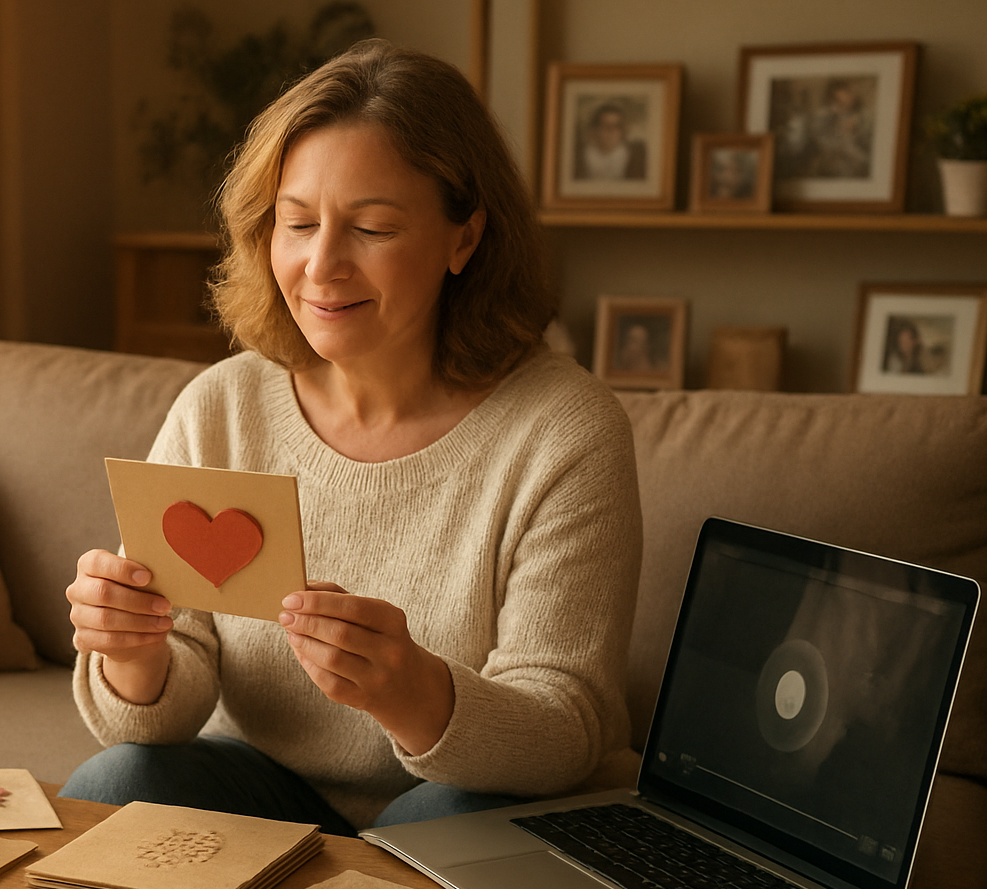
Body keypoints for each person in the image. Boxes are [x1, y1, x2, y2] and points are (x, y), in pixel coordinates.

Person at [60, 40, 642, 837]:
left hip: (466, 799)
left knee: (446, 824)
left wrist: (414, 694)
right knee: (114, 782)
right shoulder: (221, 409)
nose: (321, 264)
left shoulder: (563, 431)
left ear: (464, 240)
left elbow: (567, 727)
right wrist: (134, 652)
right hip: (270, 785)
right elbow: (160, 717)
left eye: (370, 227)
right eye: (297, 224)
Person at [575, 101, 647, 181]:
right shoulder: (581, 156)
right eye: (605, 125)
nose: (611, 131)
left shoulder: (634, 155)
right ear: (595, 129)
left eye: (616, 126)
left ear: (622, 131)